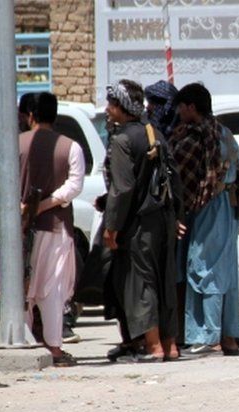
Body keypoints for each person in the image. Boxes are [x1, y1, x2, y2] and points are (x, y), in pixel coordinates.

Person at [102, 79, 183, 363]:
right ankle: (170, 346)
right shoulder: (155, 133)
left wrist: (111, 226)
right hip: (164, 218)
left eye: (112, 104)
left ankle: (153, 348)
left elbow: (121, 189)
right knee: (165, 279)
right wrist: (178, 217)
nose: (108, 110)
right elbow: (175, 177)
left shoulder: (122, 140)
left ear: (123, 107)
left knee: (141, 282)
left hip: (138, 223)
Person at [170, 83, 239, 357]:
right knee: (224, 273)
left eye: (181, 106)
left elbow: (181, 176)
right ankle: (228, 338)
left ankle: (207, 337)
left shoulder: (196, 137)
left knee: (203, 269)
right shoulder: (225, 133)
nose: (178, 112)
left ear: (191, 107)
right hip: (228, 209)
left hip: (208, 209)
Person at [13, 92, 84, 366]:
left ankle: (25, 341)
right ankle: (53, 347)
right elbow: (74, 186)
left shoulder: (12, 145)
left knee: (19, 289)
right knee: (52, 290)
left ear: (29, 116)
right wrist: (46, 205)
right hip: (55, 228)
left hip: (18, 230)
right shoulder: (71, 147)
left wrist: (28, 209)